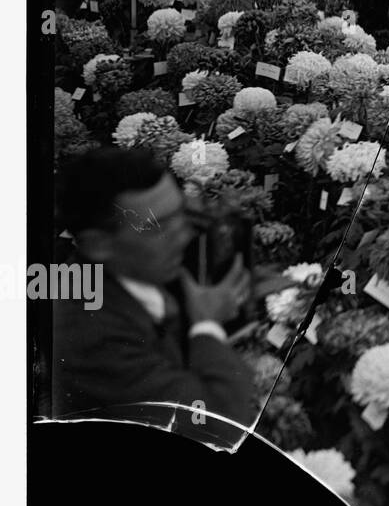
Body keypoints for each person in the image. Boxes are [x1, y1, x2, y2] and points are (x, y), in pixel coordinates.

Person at [49, 147, 257, 427]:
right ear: (99, 244)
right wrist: (207, 325)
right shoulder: (89, 337)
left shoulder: (136, 267)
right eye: (157, 226)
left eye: (180, 213)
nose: (184, 235)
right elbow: (220, 423)